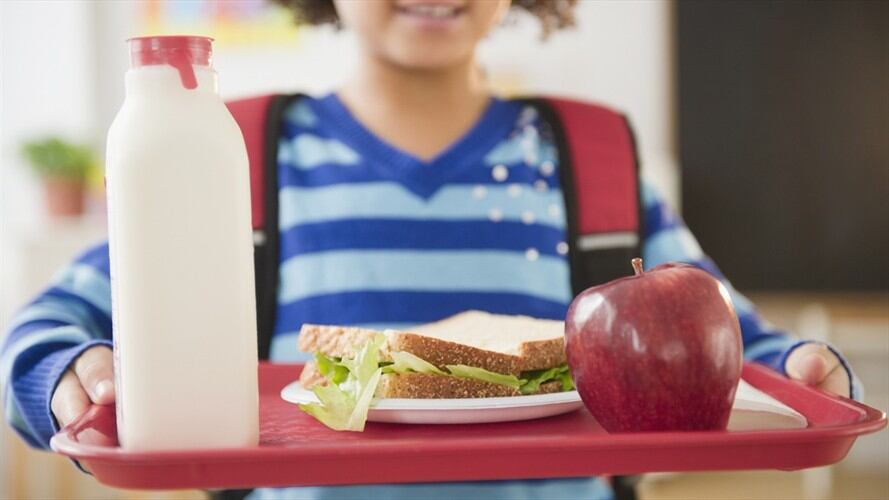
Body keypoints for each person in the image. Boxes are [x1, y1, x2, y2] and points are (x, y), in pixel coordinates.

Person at [1, 1, 861, 499]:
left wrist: (804, 369)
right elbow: (55, 321)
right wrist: (66, 371)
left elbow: (733, 347)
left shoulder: (591, 161)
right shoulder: (236, 150)